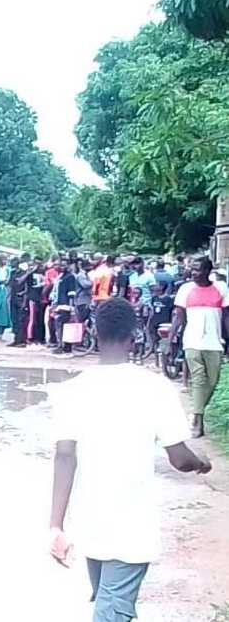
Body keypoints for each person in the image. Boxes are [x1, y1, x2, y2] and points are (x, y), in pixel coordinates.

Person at [48, 297, 213, 622]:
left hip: (89, 520)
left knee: (108, 603)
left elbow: (64, 457)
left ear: (93, 332)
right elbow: (179, 458)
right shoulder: (155, 388)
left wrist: (55, 525)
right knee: (112, 609)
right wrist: (201, 461)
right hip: (132, 522)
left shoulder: (72, 391)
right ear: (135, 336)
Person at [169, 255, 229, 438]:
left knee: (212, 381)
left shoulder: (221, 288)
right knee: (199, 380)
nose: (193, 273)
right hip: (192, 342)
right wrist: (170, 340)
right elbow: (179, 318)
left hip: (214, 342)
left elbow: (226, 317)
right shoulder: (185, 289)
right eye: (192, 269)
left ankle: (197, 410)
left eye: (197, 269)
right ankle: (198, 420)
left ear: (207, 271)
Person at [8, 258, 31, 347]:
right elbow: (10, 285)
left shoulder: (24, 273)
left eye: (13, 262)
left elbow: (26, 288)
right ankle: (16, 339)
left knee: (21, 320)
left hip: (21, 299)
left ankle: (22, 341)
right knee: (14, 320)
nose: (11, 264)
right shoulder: (12, 273)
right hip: (13, 299)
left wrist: (24, 300)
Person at [26, 260, 49, 346]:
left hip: (42, 299)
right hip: (33, 298)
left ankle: (40, 338)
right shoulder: (30, 274)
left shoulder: (44, 274)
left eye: (40, 264)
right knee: (33, 319)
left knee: (41, 319)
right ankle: (30, 337)